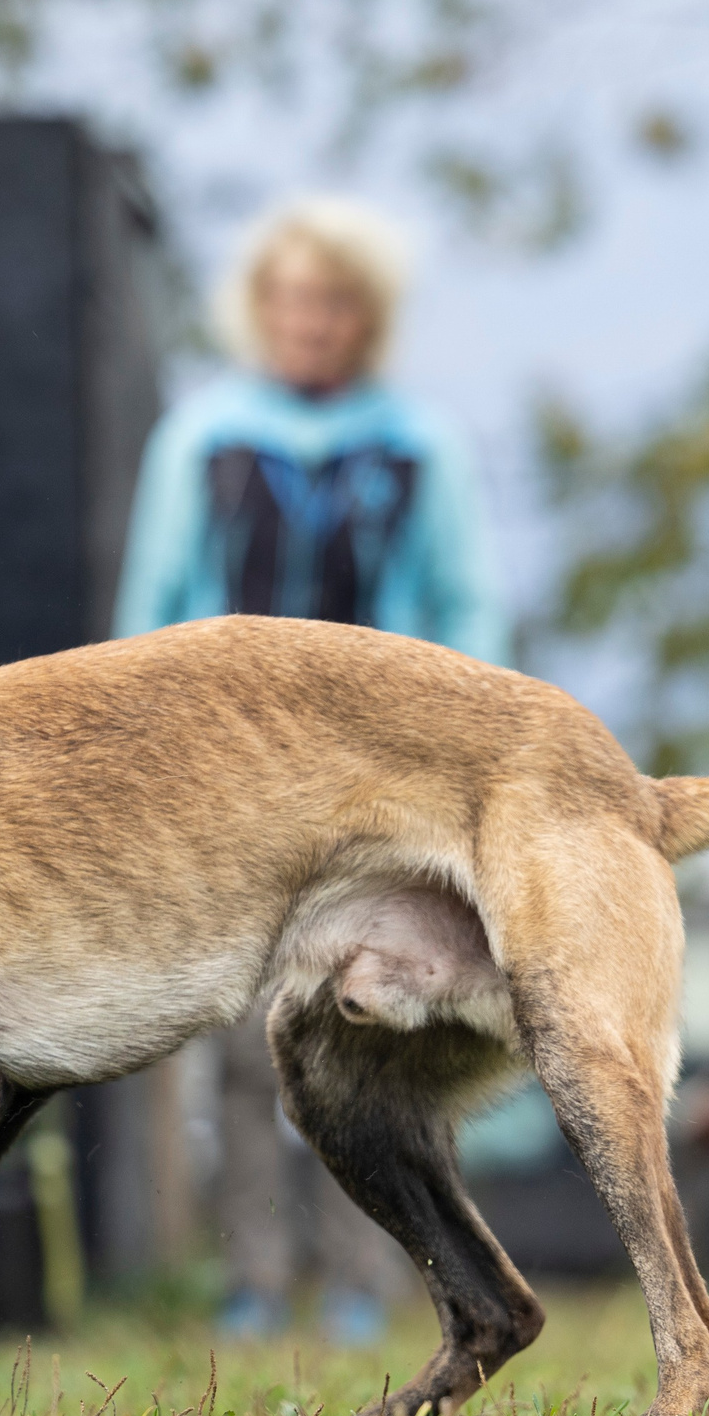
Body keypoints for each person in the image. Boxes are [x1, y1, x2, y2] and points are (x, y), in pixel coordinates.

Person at [113, 194, 508, 1344]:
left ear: (365, 316)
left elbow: (466, 606)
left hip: (379, 778)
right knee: (244, 1037)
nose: (307, 322)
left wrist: (474, 763)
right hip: (228, 781)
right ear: (258, 310)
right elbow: (154, 609)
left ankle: (368, 1277)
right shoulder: (201, 437)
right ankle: (249, 1274)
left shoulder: (418, 443)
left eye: (330, 302)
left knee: (381, 1026)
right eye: (288, 300)